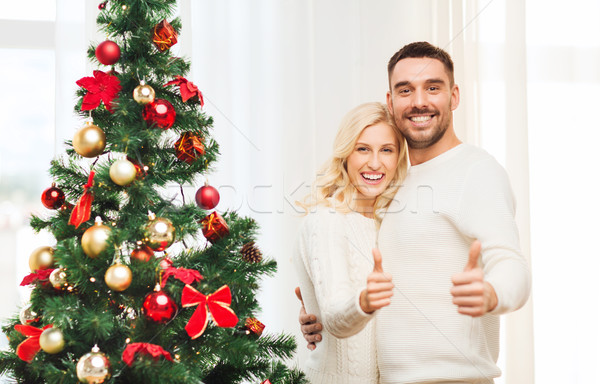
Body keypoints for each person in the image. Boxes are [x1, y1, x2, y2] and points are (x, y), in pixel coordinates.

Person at [297, 42, 531, 384]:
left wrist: (493, 292)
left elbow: (512, 263)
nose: (419, 101)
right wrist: (318, 313)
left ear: (454, 97)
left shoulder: (477, 171)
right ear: (391, 103)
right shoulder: (391, 183)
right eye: (406, 90)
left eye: (432, 88)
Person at [293, 101, 408, 384]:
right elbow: (334, 318)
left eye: (386, 150)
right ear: (345, 154)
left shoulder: (387, 224)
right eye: (363, 149)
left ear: (398, 158)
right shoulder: (326, 220)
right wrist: (365, 301)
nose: (375, 163)